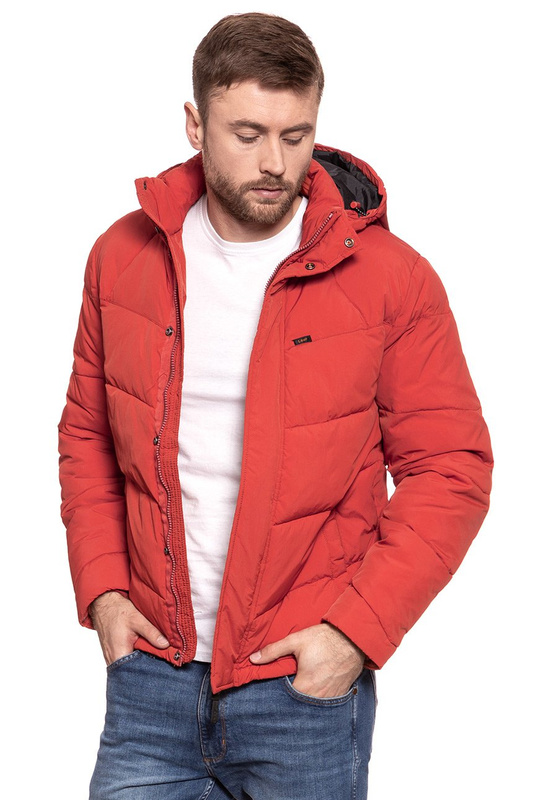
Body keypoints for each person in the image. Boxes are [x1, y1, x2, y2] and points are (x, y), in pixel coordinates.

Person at [58, 12, 493, 800]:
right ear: (195, 124)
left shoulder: (391, 278)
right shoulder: (121, 257)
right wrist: (103, 592)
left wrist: (354, 634)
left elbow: (449, 468)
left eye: (296, 136)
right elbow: (87, 435)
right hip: (149, 678)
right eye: (247, 133)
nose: (274, 163)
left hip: (299, 688)